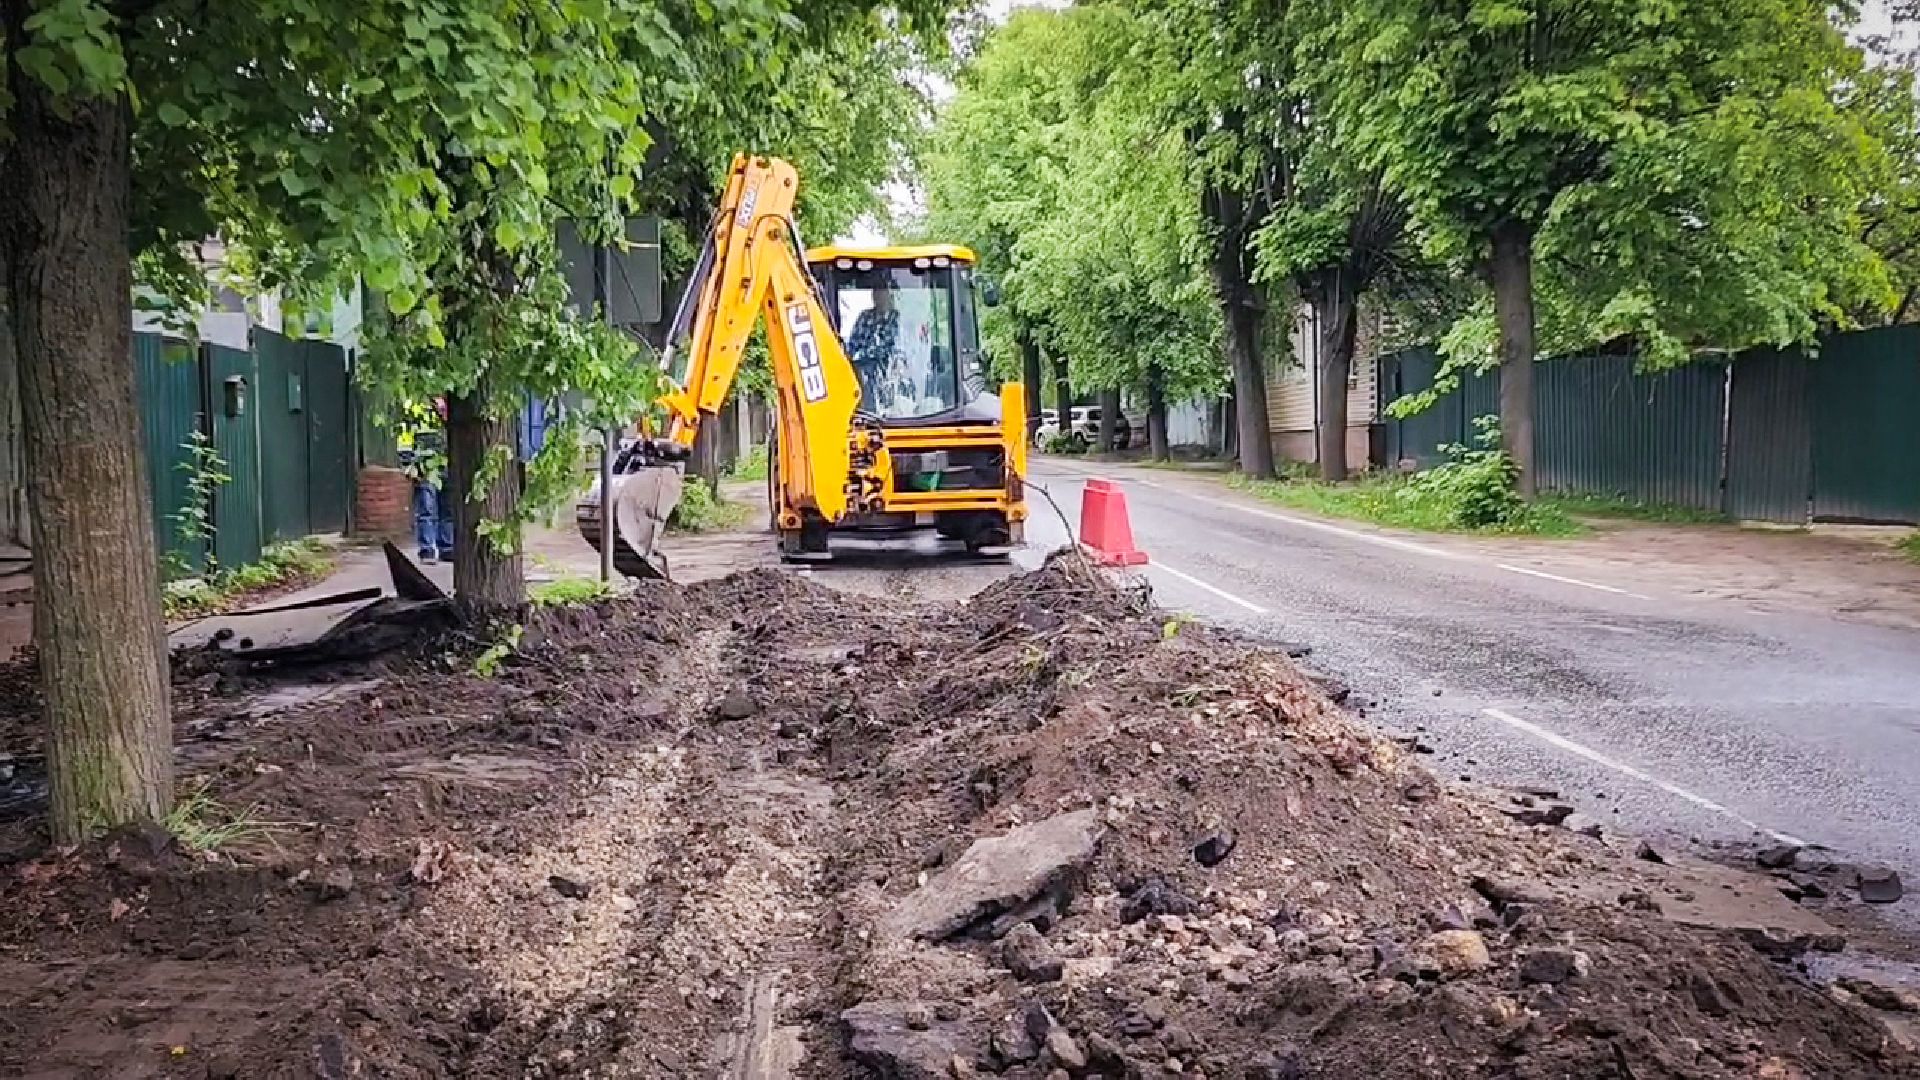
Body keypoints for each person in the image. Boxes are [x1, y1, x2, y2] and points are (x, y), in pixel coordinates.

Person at [399, 398, 454, 563]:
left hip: (447, 465)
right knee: (426, 509)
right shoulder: (415, 406)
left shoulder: (452, 403)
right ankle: (427, 549)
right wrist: (408, 465)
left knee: (448, 509)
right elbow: (405, 437)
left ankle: (447, 547)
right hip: (424, 467)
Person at [845, 278, 901, 406]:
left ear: (889, 295)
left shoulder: (897, 320)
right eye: (875, 292)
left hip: (887, 374)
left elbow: (892, 349)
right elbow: (852, 345)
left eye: (882, 292)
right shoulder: (864, 317)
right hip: (862, 372)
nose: (878, 296)